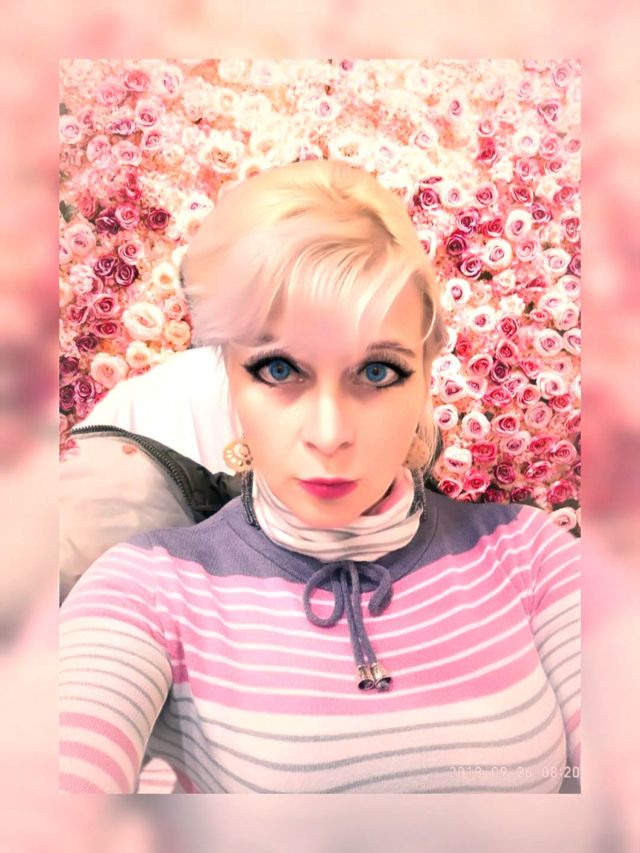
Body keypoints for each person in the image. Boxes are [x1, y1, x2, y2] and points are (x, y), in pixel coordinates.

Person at [59, 159, 580, 794]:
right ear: (229, 379)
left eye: (378, 372)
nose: (329, 434)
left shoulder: (532, 556)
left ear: (424, 377)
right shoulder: (148, 586)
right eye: (279, 370)